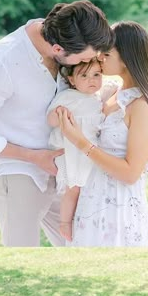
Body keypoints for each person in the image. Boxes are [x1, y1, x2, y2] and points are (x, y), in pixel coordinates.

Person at [0, 1, 114, 247]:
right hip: (18, 170)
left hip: (64, 171)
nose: (87, 64)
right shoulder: (2, 62)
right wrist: (34, 157)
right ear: (57, 49)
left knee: (81, 245)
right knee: (22, 252)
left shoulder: (65, 37)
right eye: (83, 60)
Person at [57, 22, 148, 246]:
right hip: (92, 199)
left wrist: (80, 142)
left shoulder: (140, 106)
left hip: (118, 208)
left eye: (106, 53)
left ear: (127, 59)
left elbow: (130, 173)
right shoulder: (111, 93)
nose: (99, 58)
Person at [47, 59, 116, 241]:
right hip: (71, 152)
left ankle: (84, 221)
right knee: (74, 188)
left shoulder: (97, 96)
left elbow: (113, 89)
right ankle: (65, 223)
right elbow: (51, 121)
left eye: (96, 75)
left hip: (88, 152)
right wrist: (58, 113)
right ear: (71, 80)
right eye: (84, 75)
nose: (91, 80)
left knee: (88, 188)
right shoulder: (68, 97)